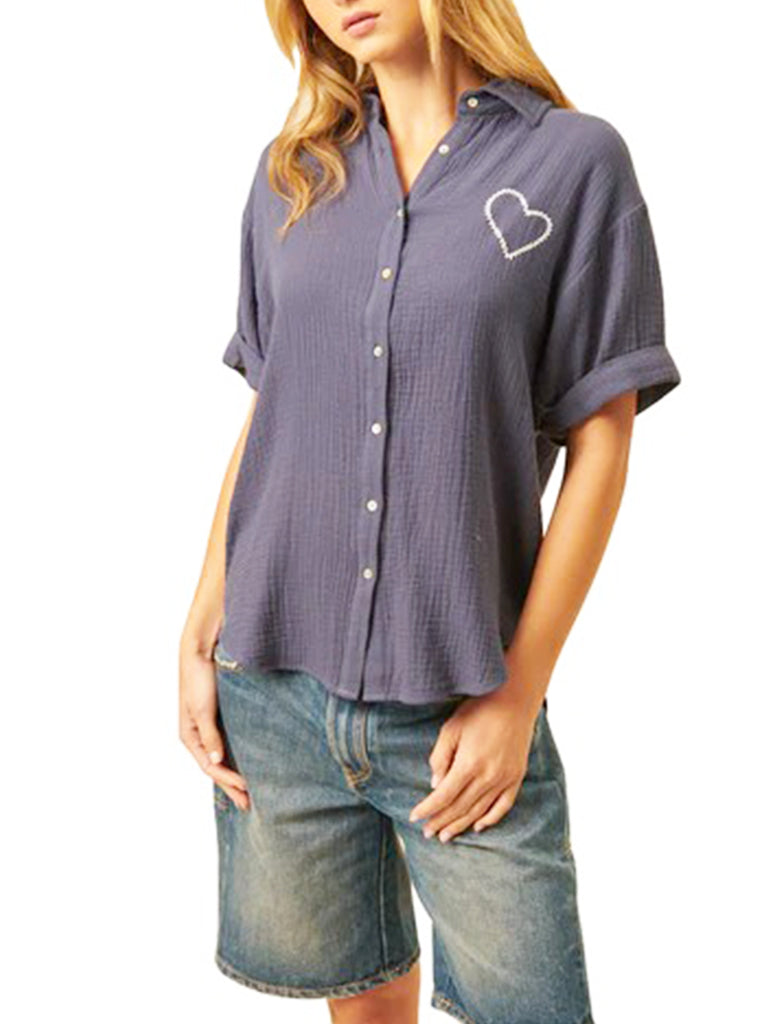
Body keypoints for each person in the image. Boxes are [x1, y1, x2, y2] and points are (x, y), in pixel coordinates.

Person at [178, 1, 681, 1021]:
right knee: (360, 1005)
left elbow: (602, 443)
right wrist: (199, 624)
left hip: (460, 704)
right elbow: (274, 410)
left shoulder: (573, 163)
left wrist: (517, 695)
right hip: (275, 688)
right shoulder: (292, 175)